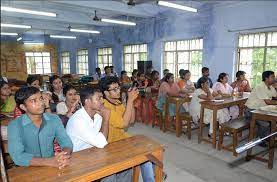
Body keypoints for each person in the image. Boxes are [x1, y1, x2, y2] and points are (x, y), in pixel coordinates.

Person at [66, 87, 131, 182]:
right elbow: (101, 142)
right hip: (79, 160)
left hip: (95, 153)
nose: (102, 101)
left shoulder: (96, 116)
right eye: (98, 98)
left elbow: (103, 139)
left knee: (126, 165)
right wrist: (106, 118)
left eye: (102, 98)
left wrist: (104, 117)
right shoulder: (78, 120)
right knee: (109, 172)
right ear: (87, 102)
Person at [99, 76, 155, 182]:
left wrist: (131, 102)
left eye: (118, 88)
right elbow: (123, 124)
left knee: (147, 152)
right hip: (111, 144)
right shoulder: (104, 107)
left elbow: (131, 121)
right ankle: (152, 176)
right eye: (114, 89)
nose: (118, 91)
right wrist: (129, 101)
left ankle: (152, 177)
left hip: (123, 139)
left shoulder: (117, 103)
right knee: (144, 156)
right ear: (106, 93)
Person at [8, 86, 73, 167]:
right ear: (23, 107)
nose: (41, 103)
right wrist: (50, 162)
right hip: (27, 168)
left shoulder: (53, 119)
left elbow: (66, 142)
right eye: (33, 101)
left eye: (41, 98)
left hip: (55, 164)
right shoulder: (15, 125)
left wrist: (63, 156)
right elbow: (18, 156)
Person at [245, 71, 277, 147]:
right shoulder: (260, 87)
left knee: (273, 120)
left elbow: (275, 96)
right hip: (251, 111)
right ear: (266, 78)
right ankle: (260, 140)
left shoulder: (270, 87)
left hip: (261, 110)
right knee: (265, 123)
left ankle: (267, 137)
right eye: (272, 77)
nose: (274, 78)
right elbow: (268, 102)